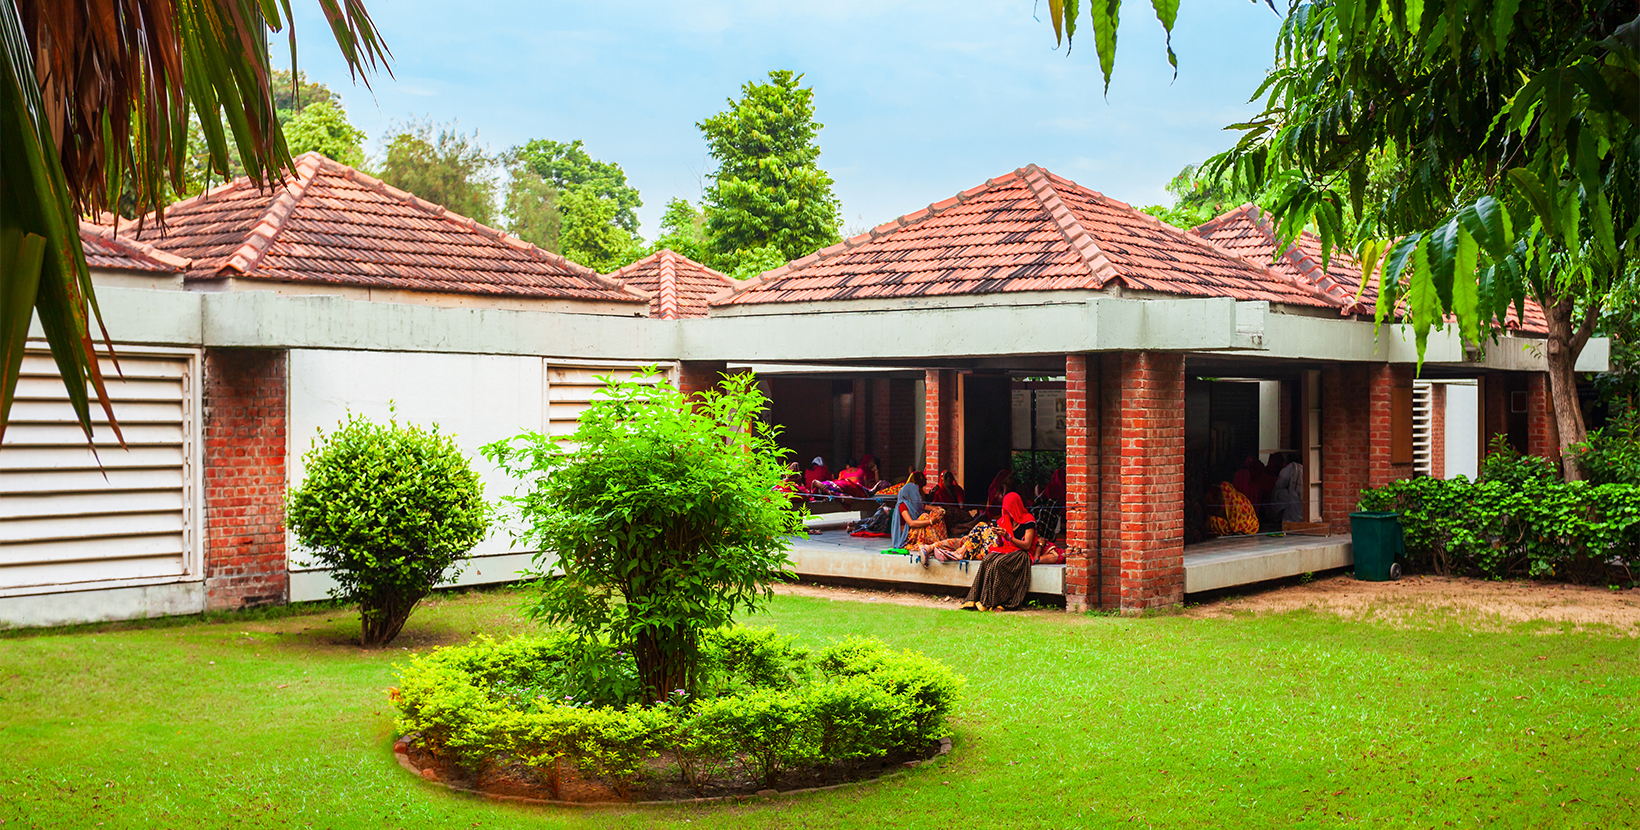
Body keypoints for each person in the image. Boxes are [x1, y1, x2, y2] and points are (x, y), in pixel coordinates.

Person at [959, 492, 1037, 611]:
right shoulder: (1005, 520)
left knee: (998, 564)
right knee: (987, 560)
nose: (1006, 511)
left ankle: (995, 601)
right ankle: (974, 598)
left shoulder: (1028, 521)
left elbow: (1027, 545)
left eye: (1009, 508)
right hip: (1007, 550)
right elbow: (1000, 544)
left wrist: (1009, 537)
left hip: (1021, 554)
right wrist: (999, 536)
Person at [890, 471, 940, 549]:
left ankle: (937, 543)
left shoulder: (913, 504)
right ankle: (935, 544)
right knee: (925, 516)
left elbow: (924, 507)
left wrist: (939, 509)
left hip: (913, 530)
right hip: (906, 535)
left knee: (935, 515)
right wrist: (930, 522)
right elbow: (911, 523)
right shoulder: (902, 506)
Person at [1269, 452, 1305, 523]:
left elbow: (1280, 484)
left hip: (1293, 496)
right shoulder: (1302, 467)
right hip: (1302, 498)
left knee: (1277, 493)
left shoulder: (1290, 467)